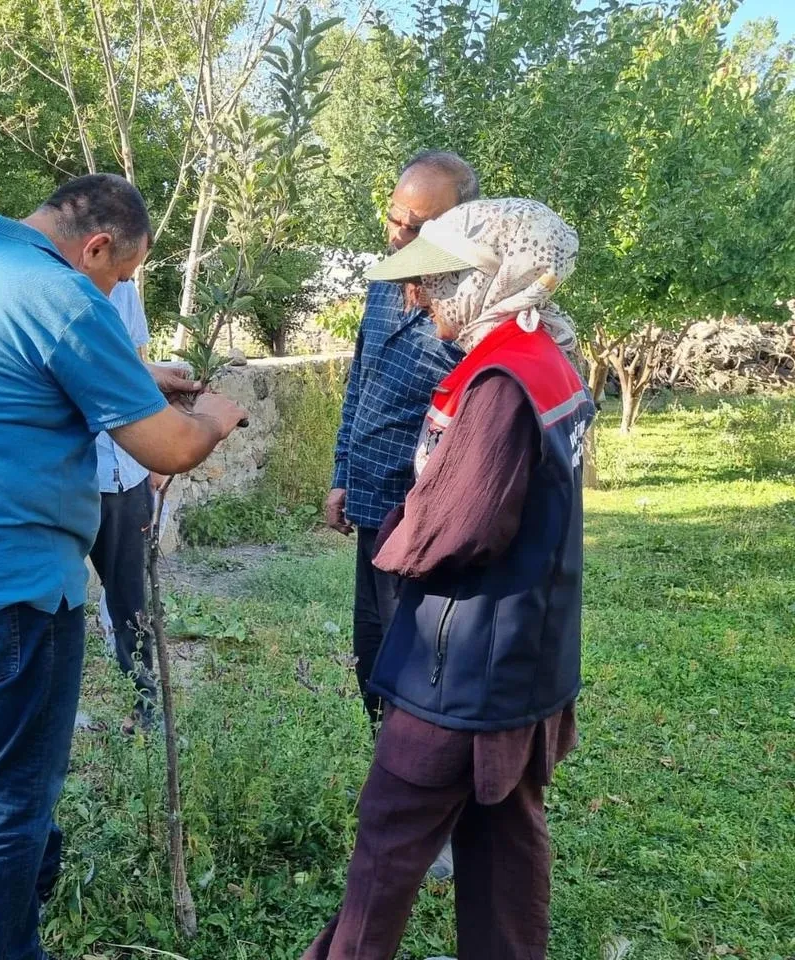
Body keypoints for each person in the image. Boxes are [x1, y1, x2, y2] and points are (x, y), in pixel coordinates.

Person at [0, 173, 249, 960]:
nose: (114, 291)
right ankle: (6, 946)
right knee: (13, 803)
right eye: (118, 275)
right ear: (95, 246)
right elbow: (173, 447)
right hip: (16, 598)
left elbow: (8, 372)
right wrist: (216, 415)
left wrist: (135, 379)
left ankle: (15, 901)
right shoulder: (62, 296)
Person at [304, 197, 595, 960]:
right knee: (502, 837)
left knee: (389, 837)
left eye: (431, 281)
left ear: (487, 278)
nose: (414, 295)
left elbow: (457, 527)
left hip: (465, 667)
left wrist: (394, 540)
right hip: (522, 655)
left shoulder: (502, 380)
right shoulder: (542, 357)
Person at [326, 151, 480, 724]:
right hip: (371, 502)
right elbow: (359, 384)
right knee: (373, 651)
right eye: (395, 216)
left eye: (418, 227)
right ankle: (387, 769)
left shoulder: (475, 306)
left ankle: (415, 778)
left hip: (426, 515)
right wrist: (342, 476)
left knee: (417, 662)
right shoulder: (384, 285)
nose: (399, 234)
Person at [91, 278, 159, 735]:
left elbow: (137, 368)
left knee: (130, 600)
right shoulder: (52, 291)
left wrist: (154, 453)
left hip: (129, 472)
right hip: (74, 477)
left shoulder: (125, 292)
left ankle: (146, 705)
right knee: (47, 606)